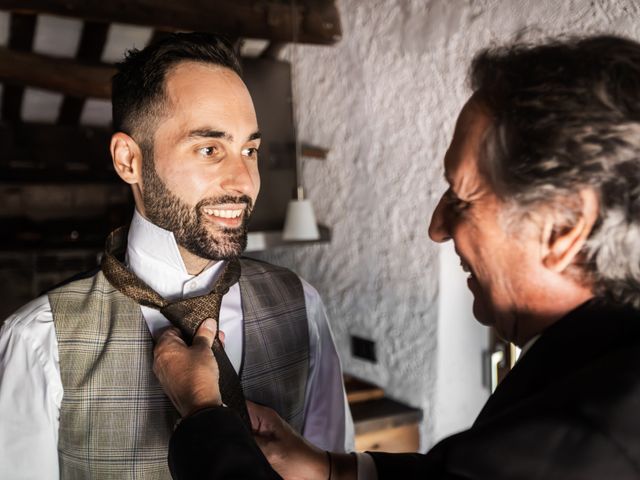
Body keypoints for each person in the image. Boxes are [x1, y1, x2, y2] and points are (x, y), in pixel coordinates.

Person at [154, 35, 640, 479]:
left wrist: (202, 412)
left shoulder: (593, 435)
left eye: (462, 197)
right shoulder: (597, 363)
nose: (436, 228)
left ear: (563, 227)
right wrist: (330, 469)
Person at [0, 32, 352, 479]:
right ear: (129, 160)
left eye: (250, 150)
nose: (243, 181)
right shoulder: (38, 342)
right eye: (210, 149)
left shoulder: (301, 305)